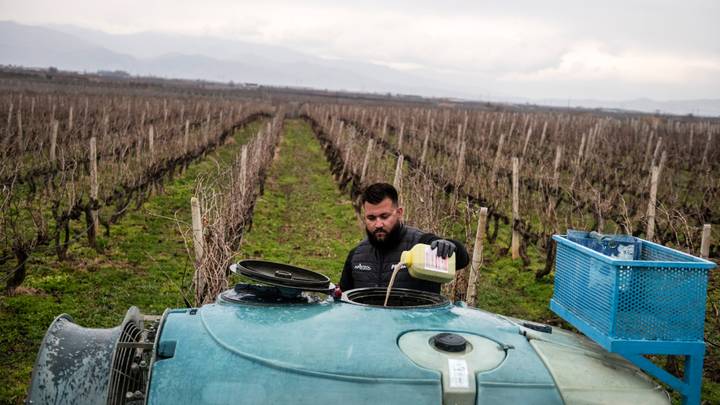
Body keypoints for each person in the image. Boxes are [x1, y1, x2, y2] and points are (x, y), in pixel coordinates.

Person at [339, 183, 469, 294]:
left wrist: (450, 246)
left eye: (384, 216)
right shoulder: (356, 255)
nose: (378, 224)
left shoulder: (421, 244)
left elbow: (461, 260)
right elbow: (344, 301)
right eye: (371, 218)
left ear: (399, 213)